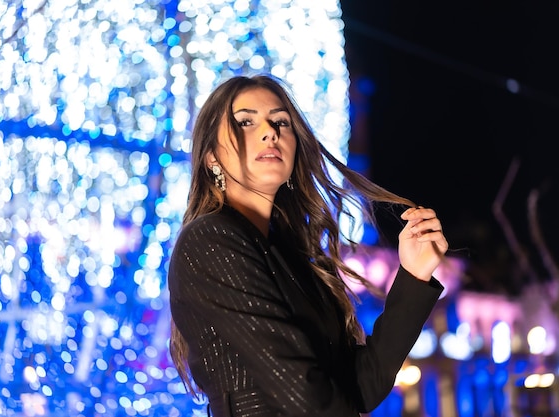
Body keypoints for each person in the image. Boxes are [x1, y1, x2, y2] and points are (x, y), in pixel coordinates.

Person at [167, 74, 448, 417]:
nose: (270, 131)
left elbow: (362, 386)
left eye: (280, 121)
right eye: (245, 122)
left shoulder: (293, 254)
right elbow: (302, 392)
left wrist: (414, 277)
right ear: (212, 157)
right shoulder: (210, 240)